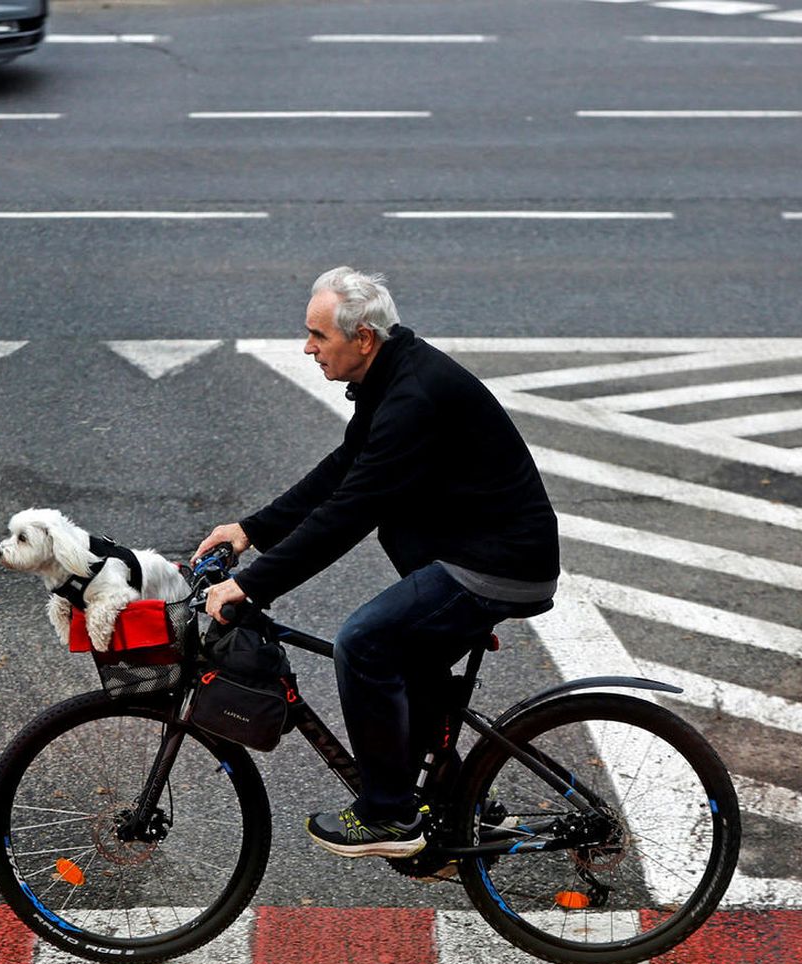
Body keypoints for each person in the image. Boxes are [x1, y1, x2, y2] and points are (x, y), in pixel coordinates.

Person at [195, 266, 560, 859]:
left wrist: (251, 588)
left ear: (362, 337)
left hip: (495, 564)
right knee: (405, 657)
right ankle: (445, 800)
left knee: (364, 643)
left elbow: (351, 511)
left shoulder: (413, 396)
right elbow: (345, 469)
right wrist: (250, 531)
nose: (308, 347)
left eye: (319, 336)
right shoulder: (391, 374)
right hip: (469, 550)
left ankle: (389, 815)